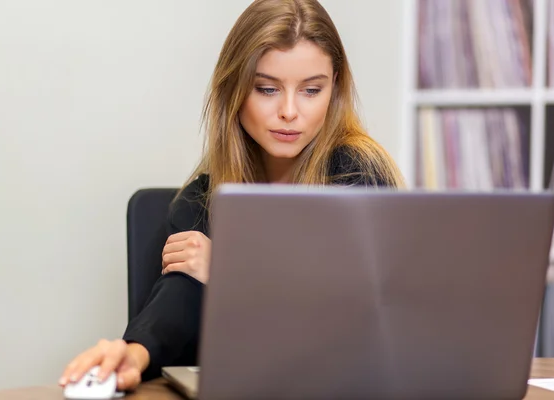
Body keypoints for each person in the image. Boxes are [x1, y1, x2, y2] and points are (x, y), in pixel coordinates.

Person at [59, 0, 405, 392]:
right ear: (234, 89)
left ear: (335, 88)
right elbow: (180, 298)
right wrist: (133, 352)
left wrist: (230, 272)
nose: (289, 111)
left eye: (311, 90)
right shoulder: (202, 198)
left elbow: (353, 316)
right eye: (267, 89)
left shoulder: (358, 175)